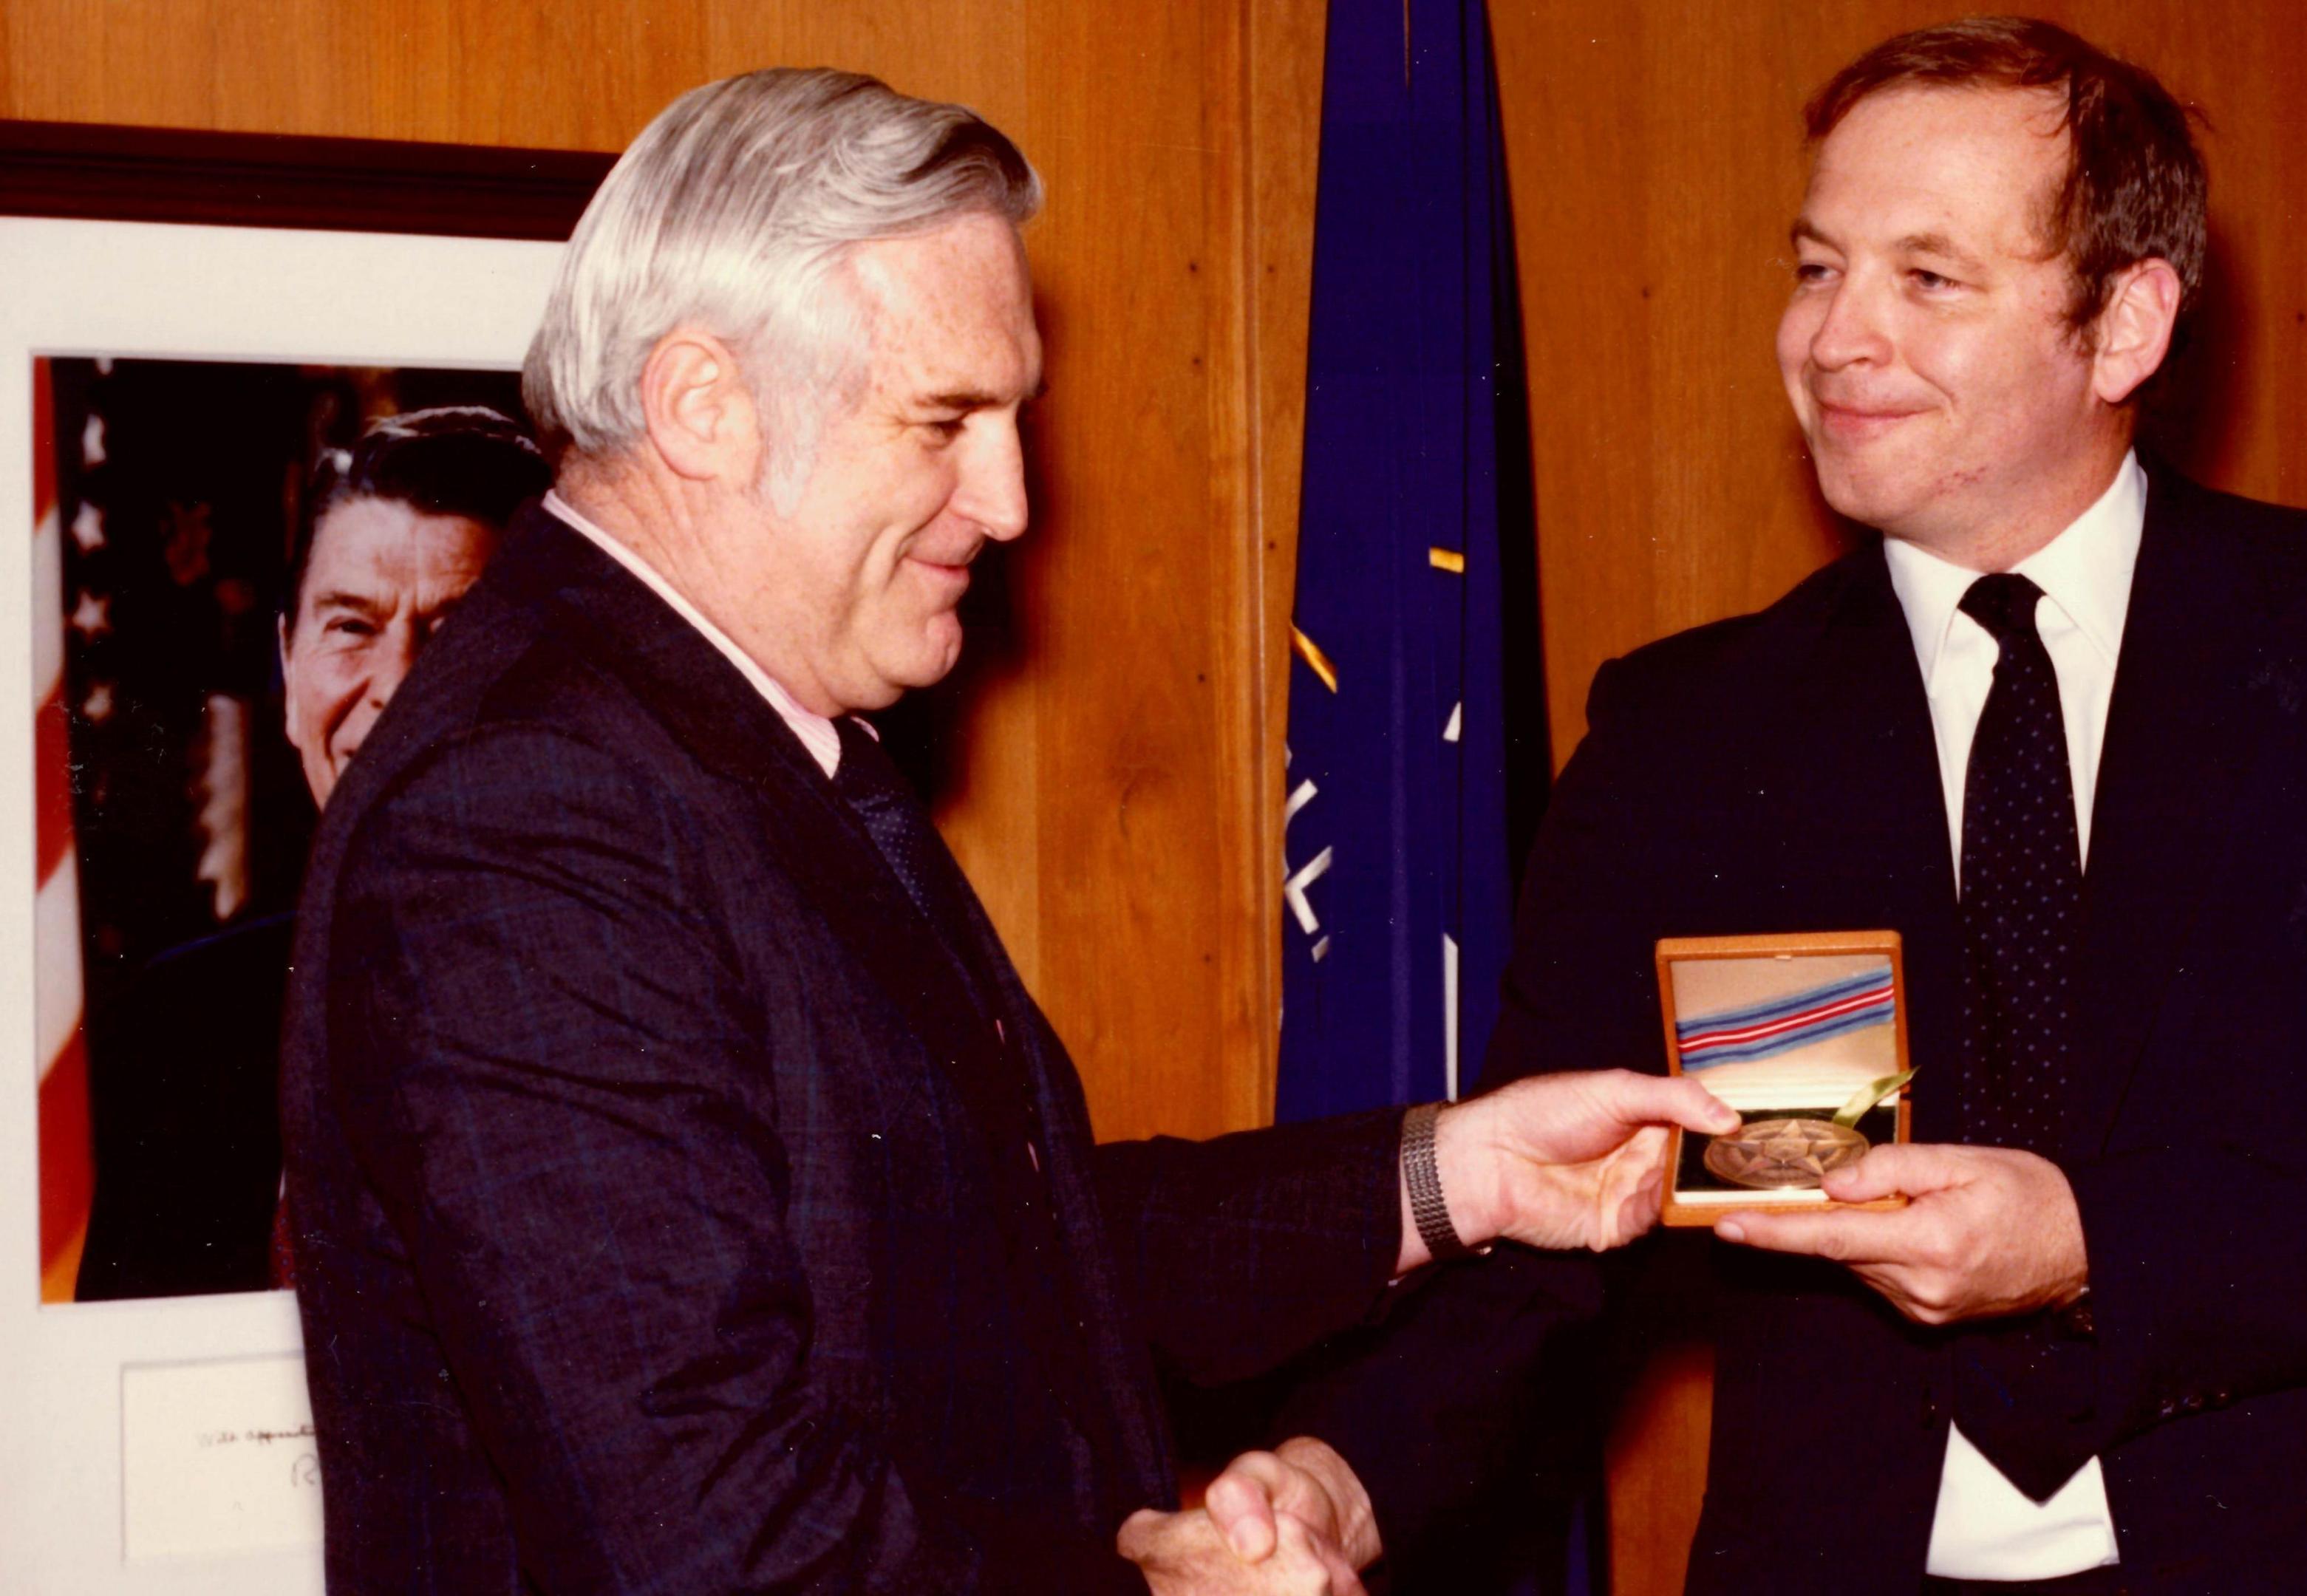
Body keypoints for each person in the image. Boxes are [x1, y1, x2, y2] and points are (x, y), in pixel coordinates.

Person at [1204, 17, 2307, 1595]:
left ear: (2125, 325)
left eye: (1928, 278)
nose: (1836, 339)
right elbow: (1564, 1231)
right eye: (1818, 267)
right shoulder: (1687, 732)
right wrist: (1347, 1479)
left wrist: (2099, 1243)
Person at [276, 68, 1735, 1596]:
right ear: (704, 407)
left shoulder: (723, 728)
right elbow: (707, 1536)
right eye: (945, 420)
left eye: (1012, 418)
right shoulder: (524, 812)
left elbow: (996, 1239)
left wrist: (1456, 1175)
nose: (1013, 498)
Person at [75, 405, 544, 1300]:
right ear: (289, 671)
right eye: (352, 627)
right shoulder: (178, 1027)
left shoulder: (653, 1000)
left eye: (457, 637)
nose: (398, 694)